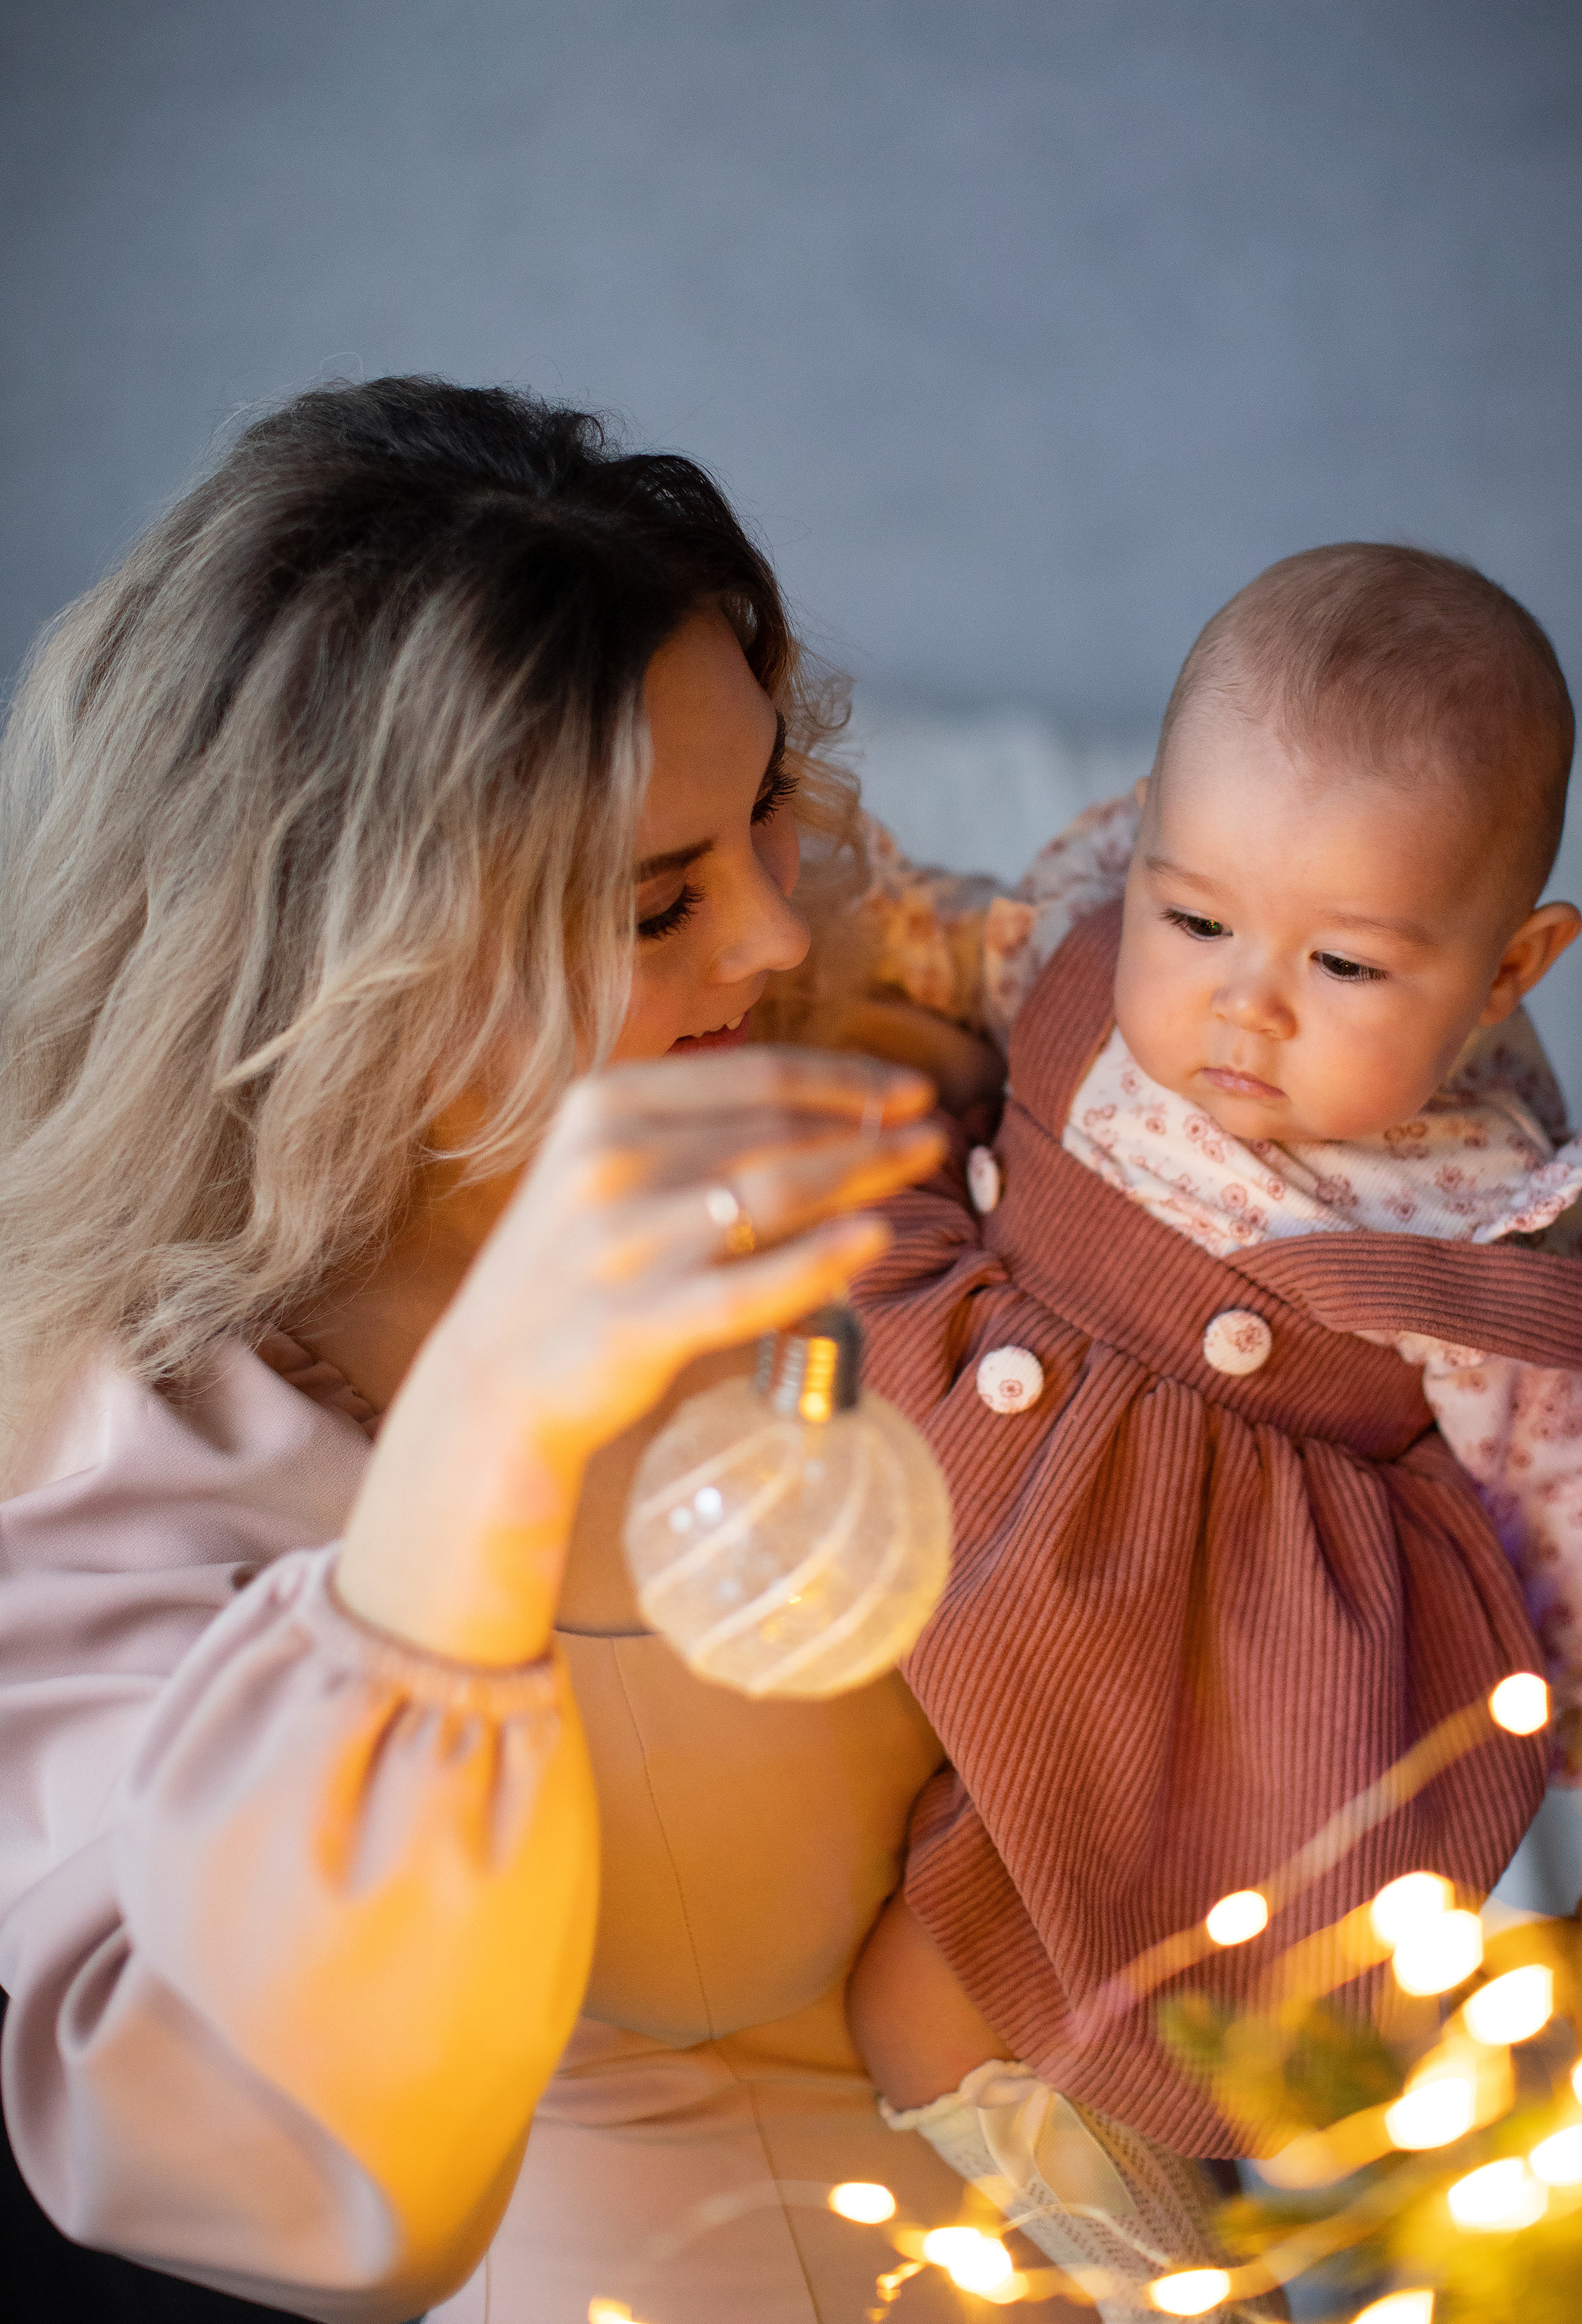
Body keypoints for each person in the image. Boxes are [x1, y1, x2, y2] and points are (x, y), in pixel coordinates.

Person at [0, 376, 1084, 2324]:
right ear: (362, 960)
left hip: (1154, 2196)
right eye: (660, 899)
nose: (769, 930)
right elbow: (251, 2162)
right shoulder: (134, 1424)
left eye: (762, 809)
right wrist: (483, 1451)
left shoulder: (840, 1028)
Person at [841, 546, 1582, 2318]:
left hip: (1181, 1643)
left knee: (978, 1992)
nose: (1242, 1003)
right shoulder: (1082, 938)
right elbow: (933, 952)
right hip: (930, 1481)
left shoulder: (1453, 1213)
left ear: (1503, 974)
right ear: (1146, 846)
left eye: (1341, 963)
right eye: (1196, 922)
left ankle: (1184, 2283)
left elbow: (1580, 1485)